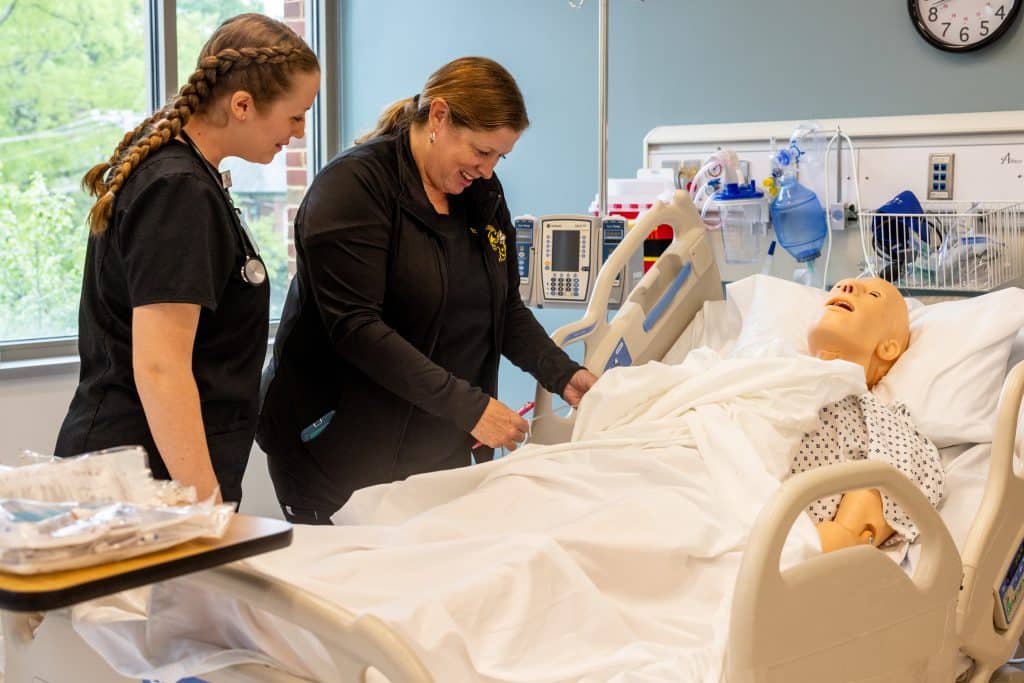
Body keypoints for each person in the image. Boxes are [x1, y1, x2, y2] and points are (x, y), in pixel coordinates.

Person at [258, 56, 598, 523]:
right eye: (481, 152)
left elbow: (503, 310)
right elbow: (356, 329)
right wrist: (472, 408)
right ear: (439, 117)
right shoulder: (353, 188)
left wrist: (561, 373)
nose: (487, 169)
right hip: (338, 453)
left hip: (436, 453)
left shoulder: (480, 195)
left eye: (500, 157)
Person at [54, 14, 320, 505]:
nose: (300, 133)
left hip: (153, 470)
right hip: (143, 480)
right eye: (296, 115)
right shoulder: (179, 191)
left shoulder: (188, 177)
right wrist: (205, 506)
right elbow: (160, 368)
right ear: (242, 105)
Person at [792, 277, 945, 552]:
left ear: (888, 347)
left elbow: (896, 477)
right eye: (837, 286)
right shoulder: (766, 365)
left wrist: (845, 534)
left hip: (770, 529)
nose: (846, 288)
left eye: (872, 295)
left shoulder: (875, 414)